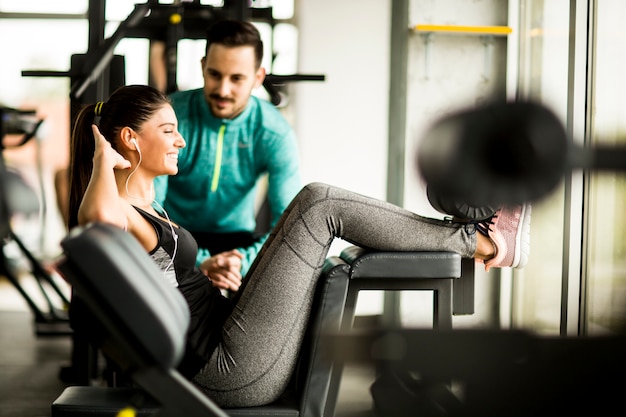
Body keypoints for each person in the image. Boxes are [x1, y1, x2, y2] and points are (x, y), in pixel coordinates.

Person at [67, 85, 531, 408]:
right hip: (226, 368)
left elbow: (162, 281)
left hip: (225, 340)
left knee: (313, 208)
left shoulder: (143, 211)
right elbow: (96, 219)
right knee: (319, 203)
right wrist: (102, 162)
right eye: (167, 130)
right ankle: (483, 241)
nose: (180, 139)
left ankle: (476, 237)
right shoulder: (118, 210)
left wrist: (207, 267)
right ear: (130, 139)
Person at [152, 19, 302, 292]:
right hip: (175, 234)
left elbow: (286, 222)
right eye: (215, 74)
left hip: (238, 245)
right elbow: (148, 209)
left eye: (236, 79)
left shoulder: (274, 131)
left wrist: (241, 263)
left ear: (258, 77)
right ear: (202, 67)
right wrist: (198, 261)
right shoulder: (172, 116)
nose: (222, 90)